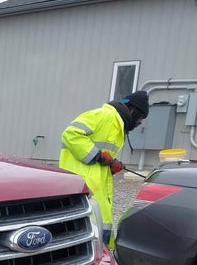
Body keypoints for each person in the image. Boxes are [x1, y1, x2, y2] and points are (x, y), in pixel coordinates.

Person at [59, 90, 149, 247]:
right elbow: (71, 134)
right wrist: (99, 156)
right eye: (141, 117)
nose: (140, 122)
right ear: (133, 110)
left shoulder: (117, 124)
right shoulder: (105, 115)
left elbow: (101, 153)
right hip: (80, 184)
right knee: (83, 233)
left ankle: (104, 253)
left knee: (100, 226)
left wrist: (110, 164)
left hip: (95, 186)